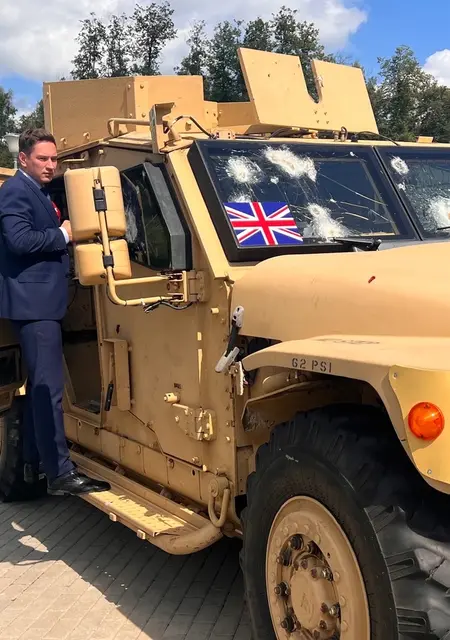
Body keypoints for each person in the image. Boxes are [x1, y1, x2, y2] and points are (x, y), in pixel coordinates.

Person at [0, 128, 110, 496]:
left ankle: (33, 463)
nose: (51, 165)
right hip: (33, 304)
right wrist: (64, 234)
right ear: (23, 159)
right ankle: (60, 473)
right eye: (43, 159)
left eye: (54, 159)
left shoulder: (39, 190)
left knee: (40, 386)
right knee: (48, 388)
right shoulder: (16, 191)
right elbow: (18, 240)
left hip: (44, 301)